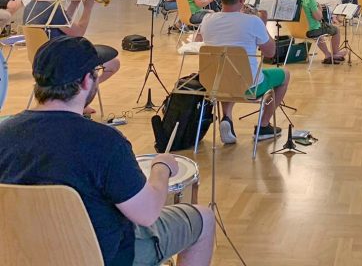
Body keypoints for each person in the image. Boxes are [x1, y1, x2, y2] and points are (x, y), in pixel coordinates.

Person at [0, 36, 215, 266]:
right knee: (204, 218)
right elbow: (147, 213)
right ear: (86, 80)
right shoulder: (105, 142)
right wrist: (162, 168)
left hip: (21, 254)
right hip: (101, 258)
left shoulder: (4, 132)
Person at [197, 0, 289, 142]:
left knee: (227, 74)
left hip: (214, 83)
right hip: (248, 86)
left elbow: (201, 40)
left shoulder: (207, 19)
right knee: (285, 75)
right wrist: (262, 25)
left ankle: (227, 118)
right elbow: (270, 53)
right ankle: (263, 125)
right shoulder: (252, 21)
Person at [288, 0, 346, 64]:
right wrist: (319, 8)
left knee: (320, 29)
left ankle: (327, 54)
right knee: (335, 29)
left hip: (294, 30)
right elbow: (318, 17)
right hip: (310, 30)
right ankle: (335, 53)